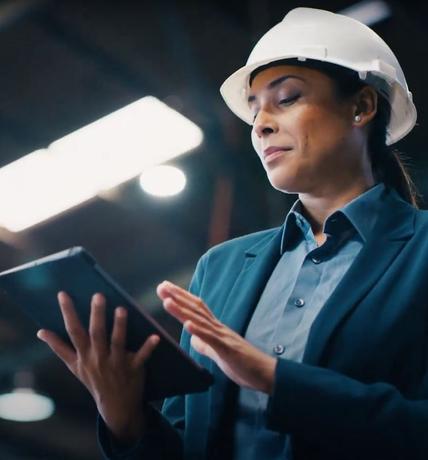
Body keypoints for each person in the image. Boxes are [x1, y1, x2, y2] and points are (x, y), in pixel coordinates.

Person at [36, 7, 428, 460]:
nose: (260, 124)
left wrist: (273, 379)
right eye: (256, 109)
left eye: (287, 98)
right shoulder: (220, 268)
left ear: (361, 106)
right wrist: (125, 416)